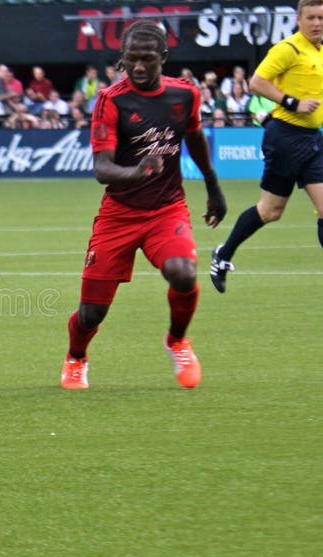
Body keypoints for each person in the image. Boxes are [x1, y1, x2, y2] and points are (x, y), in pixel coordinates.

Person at [60, 20, 227, 390]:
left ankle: (178, 341)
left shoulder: (185, 95)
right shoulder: (111, 100)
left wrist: (213, 185)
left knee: (183, 273)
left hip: (167, 210)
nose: (138, 67)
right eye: (131, 59)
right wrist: (137, 172)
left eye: (147, 59)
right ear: (122, 59)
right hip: (118, 215)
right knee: (92, 312)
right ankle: (76, 357)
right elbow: (101, 169)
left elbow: (195, 136)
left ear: (163, 58)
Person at [210, 0, 323, 293]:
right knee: (271, 211)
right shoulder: (289, 49)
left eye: (321, 17)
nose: (317, 23)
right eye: (311, 17)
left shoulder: (319, 52)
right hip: (285, 137)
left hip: (312, 140)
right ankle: (223, 255)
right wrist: (292, 102)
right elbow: (257, 82)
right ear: (298, 19)